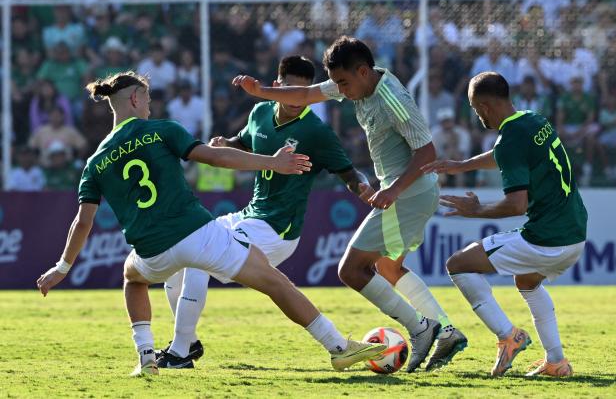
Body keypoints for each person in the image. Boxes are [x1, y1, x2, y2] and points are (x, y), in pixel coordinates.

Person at [36, 71, 385, 377]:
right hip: (197, 234)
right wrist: (272, 162)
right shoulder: (160, 130)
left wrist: (62, 266)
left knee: (133, 277)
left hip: (152, 251)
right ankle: (340, 348)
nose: (150, 107)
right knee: (275, 282)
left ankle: (146, 356)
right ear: (135, 97)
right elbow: (216, 157)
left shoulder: (95, 162)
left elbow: (82, 221)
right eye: (148, 100)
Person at [233, 36, 467, 373]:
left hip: (411, 192)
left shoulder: (393, 98)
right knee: (387, 267)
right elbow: (304, 94)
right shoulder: (355, 81)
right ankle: (443, 330)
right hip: (406, 191)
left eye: (343, 82)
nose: (340, 90)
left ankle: (423, 329)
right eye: (336, 83)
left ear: (362, 71)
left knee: (352, 270)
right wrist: (261, 93)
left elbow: (427, 153)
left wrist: (394, 191)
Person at [159, 55, 376, 369]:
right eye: (290, 90)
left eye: (305, 93)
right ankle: (188, 343)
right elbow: (246, 143)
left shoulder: (316, 132)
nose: (297, 100)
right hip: (250, 215)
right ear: (277, 87)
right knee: (180, 256)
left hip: (278, 230)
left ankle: (179, 352)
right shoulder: (260, 112)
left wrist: (365, 189)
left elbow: (347, 172)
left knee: (198, 258)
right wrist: (226, 143)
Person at [422, 72, 587, 378]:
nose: (476, 115)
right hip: (575, 233)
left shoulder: (509, 138)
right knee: (527, 282)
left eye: (474, 108)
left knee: (458, 264)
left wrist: (475, 210)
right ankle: (556, 362)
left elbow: (516, 205)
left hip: (546, 239)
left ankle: (508, 336)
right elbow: (505, 155)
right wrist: (462, 165)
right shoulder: (533, 119)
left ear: (484, 105)